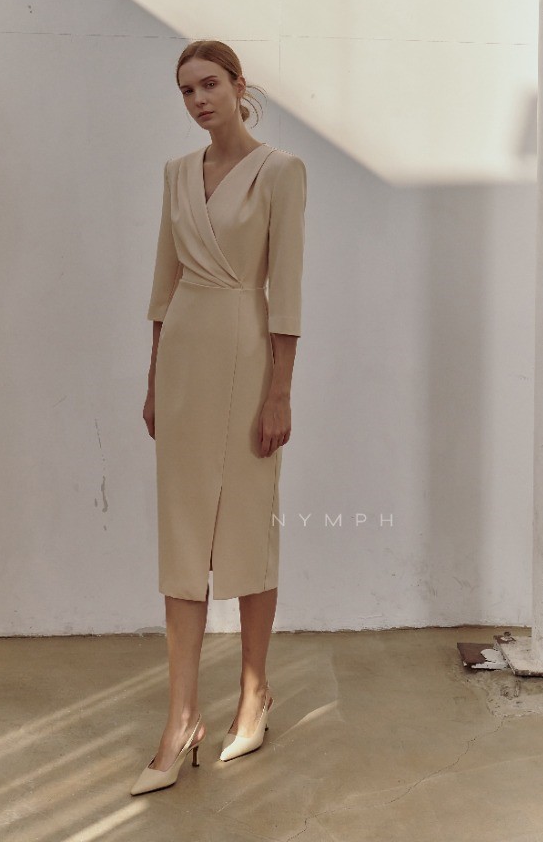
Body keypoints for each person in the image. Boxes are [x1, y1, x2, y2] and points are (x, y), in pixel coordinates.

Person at [131, 40, 307, 796]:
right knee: (181, 537)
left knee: (246, 526)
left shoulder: (281, 172)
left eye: (209, 84)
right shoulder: (177, 174)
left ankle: (254, 692)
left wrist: (279, 392)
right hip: (183, 364)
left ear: (239, 86)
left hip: (245, 354)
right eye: (186, 90)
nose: (198, 100)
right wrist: (152, 380)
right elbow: (163, 286)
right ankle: (180, 719)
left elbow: (286, 293)